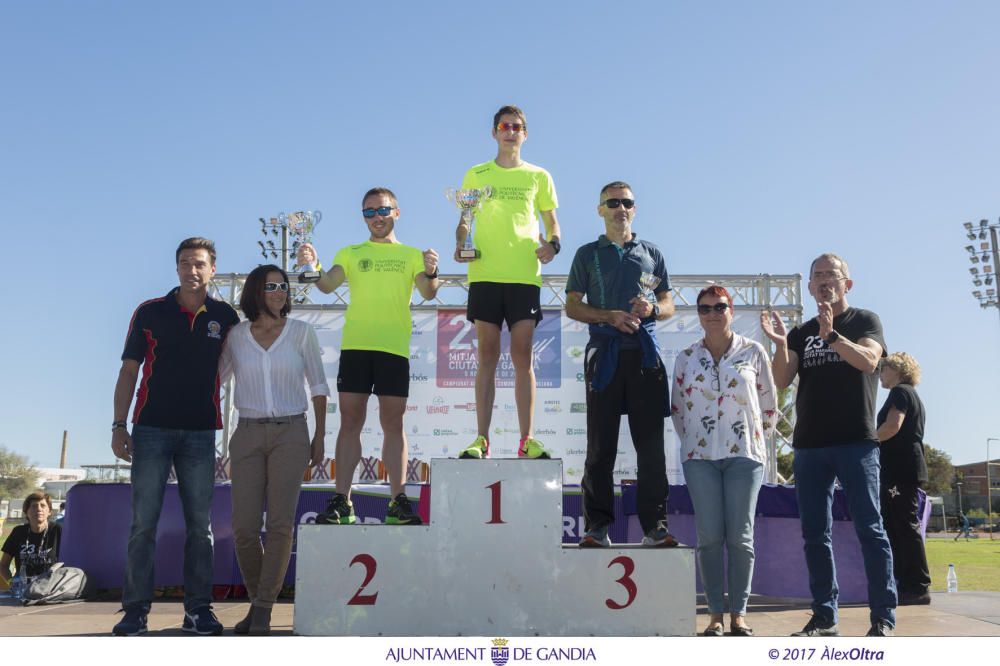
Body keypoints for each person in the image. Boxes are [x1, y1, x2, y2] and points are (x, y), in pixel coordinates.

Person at [761, 252, 896, 637]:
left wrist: (833, 336)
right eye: (817, 275)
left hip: (856, 442)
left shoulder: (865, 321)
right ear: (809, 286)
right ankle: (824, 615)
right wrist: (779, 344)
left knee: (870, 529)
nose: (824, 281)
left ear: (846, 284)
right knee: (815, 534)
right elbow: (783, 379)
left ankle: (883, 617)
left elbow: (869, 361)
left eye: (831, 275)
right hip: (810, 447)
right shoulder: (801, 332)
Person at [110, 237, 240, 636]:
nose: (192, 270)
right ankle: (134, 611)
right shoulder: (150, 312)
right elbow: (129, 371)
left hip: (201, 434)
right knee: (143, 525)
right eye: (185, 263)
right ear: (177, 268)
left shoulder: (225, 316)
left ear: (212, 268)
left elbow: (241, 371)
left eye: (199, 263)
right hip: (150, 430)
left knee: (200, 528)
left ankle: (198, 609)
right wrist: (118, 425)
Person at [298, 187, 439, 526]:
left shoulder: (412, 255)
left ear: (397, 212)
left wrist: (433, 271)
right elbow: (327, 285)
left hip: (393, 350)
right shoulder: (350, 252)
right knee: (350, 423)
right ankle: (342, 501)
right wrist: (311, 264)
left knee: (394, 424)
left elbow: (428, 292)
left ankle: (398, 501)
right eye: (369, 212)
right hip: (356, 348)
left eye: (382, 210)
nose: (377, 217)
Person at [565, 181, 676, 548]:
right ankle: (597, 527)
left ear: (634, 208)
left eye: (626, 202)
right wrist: (608, 316)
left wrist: (653, 310)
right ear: (601, 210)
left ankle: (654, 527)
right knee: (601, 446)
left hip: (644, 356)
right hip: (606, 355)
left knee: (650, 448)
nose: (620, 208)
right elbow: (572, 306)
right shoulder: (586, 253)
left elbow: (668, 303)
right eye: (612, 202)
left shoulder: (651, 253)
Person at [219, 264, 329, 634]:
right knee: (244, 528)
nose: (281, 291)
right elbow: (213, 381)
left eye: (284, 286)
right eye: (272, 286)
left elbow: (318, 386)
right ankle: (259, 602)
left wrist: (320, 437)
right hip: (247, 435)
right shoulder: (236, 336)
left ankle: (262, 611)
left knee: (280, 525)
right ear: (255, 292)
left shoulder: (301, 333)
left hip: (291, 433)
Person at [454, 105, 562, 460]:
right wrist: (461, 243)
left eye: (517, 127)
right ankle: (481, 439)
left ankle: (526, 439)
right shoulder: (477, 173)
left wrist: (553, 245)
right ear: (494, 132)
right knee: (486, 356)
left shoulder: (538, 176)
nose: (510, 131)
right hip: (484, 274)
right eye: (504, 126)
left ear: (525, 134)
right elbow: (465, 220)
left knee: (522, 358)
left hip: (523, 276)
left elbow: (552, 224)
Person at [672, 285, 778, 636]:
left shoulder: (754, 351)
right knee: (709, 537)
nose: (712, 314)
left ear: (731, 311)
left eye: (720, 307)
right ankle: (715, 614)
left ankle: (739, 614)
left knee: (740, 537)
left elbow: (769, 405)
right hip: (699, 457)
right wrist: (694, 442)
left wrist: (753, 440)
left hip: (744, 456)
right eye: (705, 309)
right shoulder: (686, 357)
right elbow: (678, 410)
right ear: (698, 315)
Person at [876, 352, 932, 605]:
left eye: (883, 369)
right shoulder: (909, 394)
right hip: (903, 467)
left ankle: (918, 586)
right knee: (898, 525)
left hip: (901, 468)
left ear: (896, 370)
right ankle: (908, 583)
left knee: (904, 526)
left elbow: (891, 427)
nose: (880, 374)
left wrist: (866, 441)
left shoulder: (900, 393)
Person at [1, 492, 61, 587]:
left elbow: (71, 563)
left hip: (51, 589)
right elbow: (3, 565)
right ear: (26, 512)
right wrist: (11, 583)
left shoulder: (58, 530)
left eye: (43, 505)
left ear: (49, 511)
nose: (39, 509)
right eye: (34, 506)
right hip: (24, 590)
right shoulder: (18, 532)